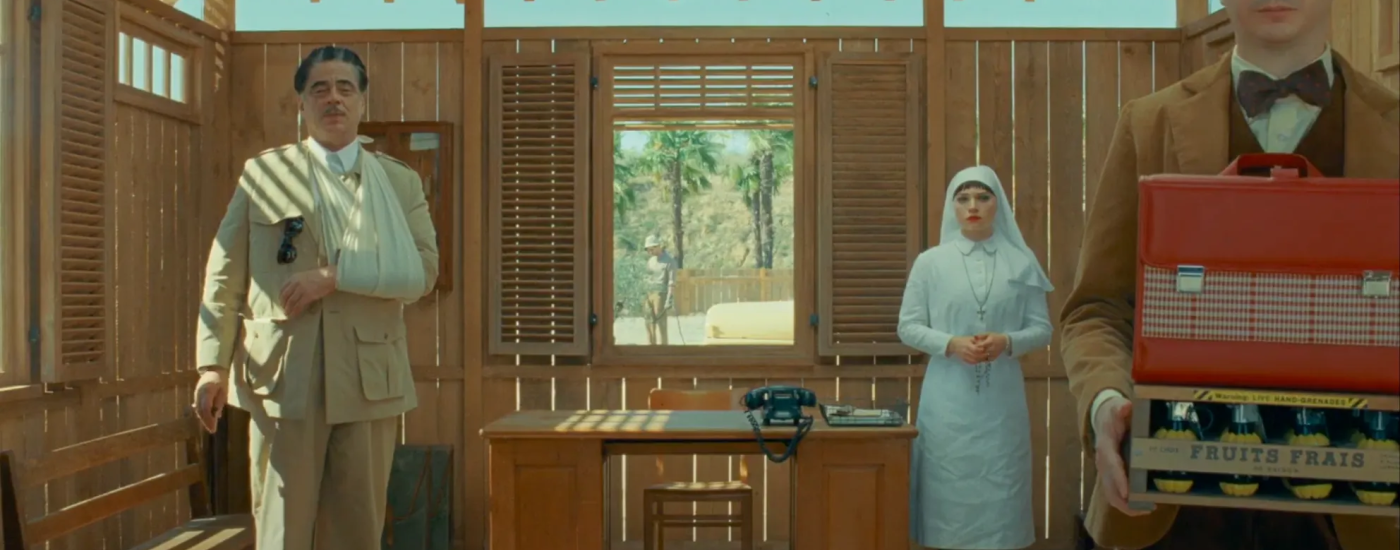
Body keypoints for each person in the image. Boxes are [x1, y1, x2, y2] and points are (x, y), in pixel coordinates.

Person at [1060, 0, 1399, 548]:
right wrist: (1105, 402)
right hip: (1169, 504)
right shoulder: (1148, 123)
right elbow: (1096, 307)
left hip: (1361, 510)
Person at [191, 45, 439, 550]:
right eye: (319, 89)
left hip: (368, 380)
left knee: (356, 532)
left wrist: (336, 276)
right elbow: (224, 275)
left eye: (345, 88)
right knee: (281, 531)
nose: (333, 99)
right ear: (301, 104)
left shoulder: (398, 182)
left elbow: (422, 273)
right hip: (285, 379)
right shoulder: (264, 176)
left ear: (363, 102)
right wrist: (211, 366)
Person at [898, 165, 1054, 550]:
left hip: (1002, 406)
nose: (973, 206)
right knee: (947, 493)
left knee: (1002, 490)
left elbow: (1043, 329)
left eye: (983, 197)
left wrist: (1008, 341)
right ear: (951, 206)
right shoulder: (930, 263)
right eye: (963, 198)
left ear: (998, 205)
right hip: (947, 404)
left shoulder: (1021, 262)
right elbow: (908, 326)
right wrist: (951, 343)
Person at [642, 235, 677, 345]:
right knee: (649, 323)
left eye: (651, 249)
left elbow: (671, 282)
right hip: (649, 293)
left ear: (658, 247)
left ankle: (663, 349)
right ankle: (651, 349)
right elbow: (647, 277)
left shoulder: (669, 261)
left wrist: (669, 299)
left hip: (660, 294)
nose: (650, 252)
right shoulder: (650, 261)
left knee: (661, 324)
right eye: (648, 250)